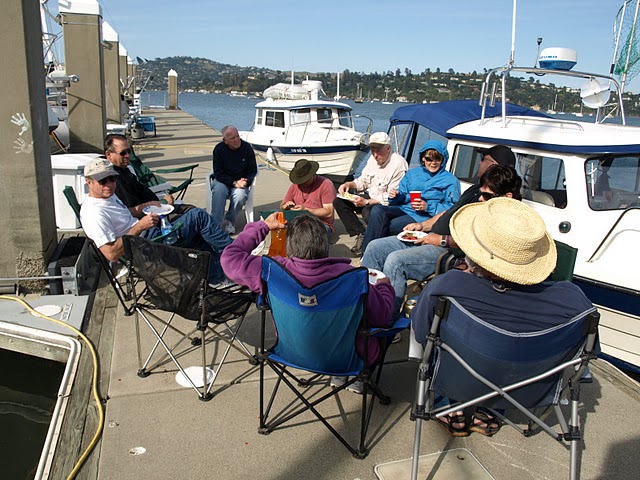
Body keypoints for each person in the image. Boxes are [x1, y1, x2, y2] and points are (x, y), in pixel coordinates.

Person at [410, 197, 594, 437]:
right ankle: (493, 412)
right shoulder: (573, 301)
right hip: (531, 391)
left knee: (440, 338)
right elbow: (584, 363)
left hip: (460, 381)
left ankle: (449, 407)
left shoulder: (449, 286)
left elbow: (422, 333)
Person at [362, 146, 519, 320]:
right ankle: (364, 306)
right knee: (375, 247)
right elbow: (448, 213)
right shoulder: (477, 190)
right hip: (430, 236)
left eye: (483, 159)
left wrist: (441, 240)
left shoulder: (498, 207)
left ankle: (384, 322)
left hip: (448, 250)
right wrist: (422, 226)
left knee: (395, 261)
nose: (479, 163)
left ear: (492, 164)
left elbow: (480, 242)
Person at [220, 213, 394, 370]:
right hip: (349, 361)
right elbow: (383, 316)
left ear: (289, 246)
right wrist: (385, 287)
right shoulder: (352, 277)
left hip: (290, 353)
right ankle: (353, 378)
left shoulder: (272, 271)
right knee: (385, 326)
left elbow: (229, 258)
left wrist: (263, 226)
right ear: (324, 244)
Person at [79, 157, 232, 284]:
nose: (110, 184)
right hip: (145, 247)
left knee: (200, 238)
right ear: (89, 182)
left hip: (149, 234)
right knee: (198, 217)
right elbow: (111, 254)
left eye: (112, 178)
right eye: (103, 180)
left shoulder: (107, 196)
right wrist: (140, 226)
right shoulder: (94, 213)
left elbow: (125, 213)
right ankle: (236, 255)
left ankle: (223, 272)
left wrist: (145, 206)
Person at [361, 140, 460, 253]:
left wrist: (428, 206)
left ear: (443, 160)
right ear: (423, 158)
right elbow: (401, 196)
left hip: (423, 216)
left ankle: (372, 252)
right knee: (376, 209)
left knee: (388, 225)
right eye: (429, 159)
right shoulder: (413, 173)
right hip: (405, 208)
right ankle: (367, 253)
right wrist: (396, 196)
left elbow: (452, 209)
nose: (433, 163)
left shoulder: (450, 180)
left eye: (437, 158)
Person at [333, 131, 407, 255]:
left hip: (387, 204)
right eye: (372, 150)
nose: (375, 154)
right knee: (339, 201)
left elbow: (390, 197)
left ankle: (372, 242)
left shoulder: (399, 164)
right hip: (371, 196)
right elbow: (364, 181)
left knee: (369, 211)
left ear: (388, 148)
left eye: (378, 150)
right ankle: (361, 233)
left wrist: (366, 202)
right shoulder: (373, 160)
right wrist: (349, 185)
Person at [103, 134, 195, 222]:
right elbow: (129, 212)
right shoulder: (114, 180)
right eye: (123, 153)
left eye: (129, 151)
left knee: (194, 211)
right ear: (108, 155)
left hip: (157, 208)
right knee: (197, 217)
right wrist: (163, 203)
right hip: (151, 217)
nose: (127, 156)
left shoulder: (124, 170)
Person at [210, 125, 258, 234]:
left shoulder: (247, 148)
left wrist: (246, 181)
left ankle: (229, 220)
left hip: (241, 180)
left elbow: (252, 170)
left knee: (240, 196)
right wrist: (233, 182)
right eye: (232, 138)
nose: (236, 140)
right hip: (223, 180)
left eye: (238, 136)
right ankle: (216, 224)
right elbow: (218, 172)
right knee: (219, 191)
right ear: (225, 140)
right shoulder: (219, 149)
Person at [281, 159, 337, 237]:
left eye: (305, 180)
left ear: (313, 175)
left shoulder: (326, 184)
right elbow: (282, 205)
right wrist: (286, 206)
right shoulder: (295, 185)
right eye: (300, 180)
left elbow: (328, 212)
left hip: (320, 224)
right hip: (298, 223)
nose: (302, 183)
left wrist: (306, 210)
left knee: (305, 234)